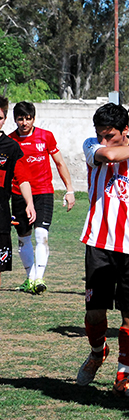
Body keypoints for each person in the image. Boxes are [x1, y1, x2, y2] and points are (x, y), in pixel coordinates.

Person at [76, 103, 129, 399]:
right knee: (95, 313)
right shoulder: (93, 146)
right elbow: (108, 155)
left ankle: (123, 377)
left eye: (110, 134)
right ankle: (98, 353)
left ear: (126, 130)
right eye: (100, 135)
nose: (103, 140)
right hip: (98, 241)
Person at [10, 101, 75, 295]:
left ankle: (39, 278)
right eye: (20, 119)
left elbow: (60, 163)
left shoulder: (45, 137)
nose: (24, 123)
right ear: (15, 120)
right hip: (18, 194)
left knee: (41, 235)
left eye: (28, 118)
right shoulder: (10, 141)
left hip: (43, 192)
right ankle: (30, 278)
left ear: (33, 119)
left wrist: (70, 189)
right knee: (23, 239)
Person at [0, 96, 35, 288]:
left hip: (1, 213)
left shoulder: (11, 147)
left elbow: (23, 179)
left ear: (4, 120)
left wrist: (29, 203)